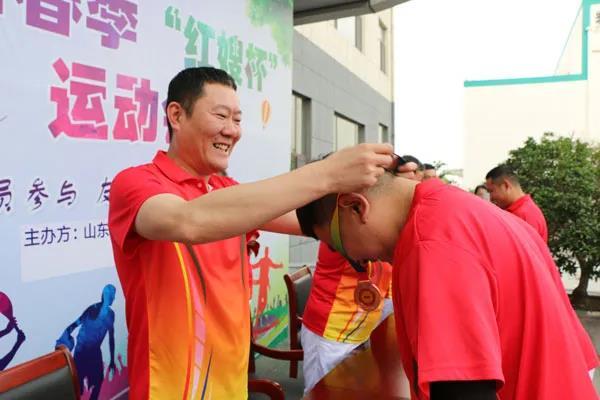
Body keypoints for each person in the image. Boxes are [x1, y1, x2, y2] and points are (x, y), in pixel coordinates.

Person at [108, 67, 403, 399]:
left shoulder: (228, 190)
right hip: (171, 389)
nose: (232, 131)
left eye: (237, 119)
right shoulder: (136, 184)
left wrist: (392, 194)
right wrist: (327, 173)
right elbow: (186, 221)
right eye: (221, 116)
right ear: (176, 115)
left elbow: (316, 223)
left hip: (233, 383)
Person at [296, 172, 598, 399]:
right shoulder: (458, 208)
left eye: (337, 246)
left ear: (355, 207)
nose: (356, 259)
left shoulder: (430, 243)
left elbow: (463, 390)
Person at [300, 242, 393, 393]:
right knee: (320, 393)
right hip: (331, 333)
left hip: (364, 333)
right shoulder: (345, 230)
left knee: (351, 392)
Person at [56, 284, 117, 400]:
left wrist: (112, 360)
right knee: (78, 386)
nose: (113, 297)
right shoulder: (92, 309)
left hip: (94, 352)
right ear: (105, 295)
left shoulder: (110, 315)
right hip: (81, 351)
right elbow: (75, 324)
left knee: (98, 381)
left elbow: (111, 338)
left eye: (113, 295)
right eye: (111, 295)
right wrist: (63, 339)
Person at [485, 164, 548, 242]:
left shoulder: (525, 214)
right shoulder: (514, 211)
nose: (491, 198)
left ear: (506, 186)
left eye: (491, 191)